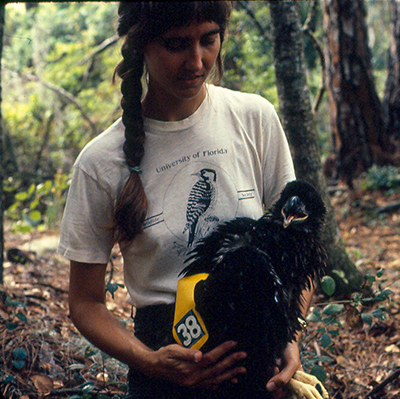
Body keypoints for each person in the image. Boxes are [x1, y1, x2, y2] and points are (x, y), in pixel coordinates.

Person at [58, 2, 315, 398]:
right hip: (165, 364)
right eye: (176, 44)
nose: (196, 61)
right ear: (140, 44)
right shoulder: (100, 162)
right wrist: (148, 360)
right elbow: (85, 301)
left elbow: (297, 247)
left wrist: (287, 332)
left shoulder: (253, 119)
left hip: (257, 359)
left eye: (208, 39)